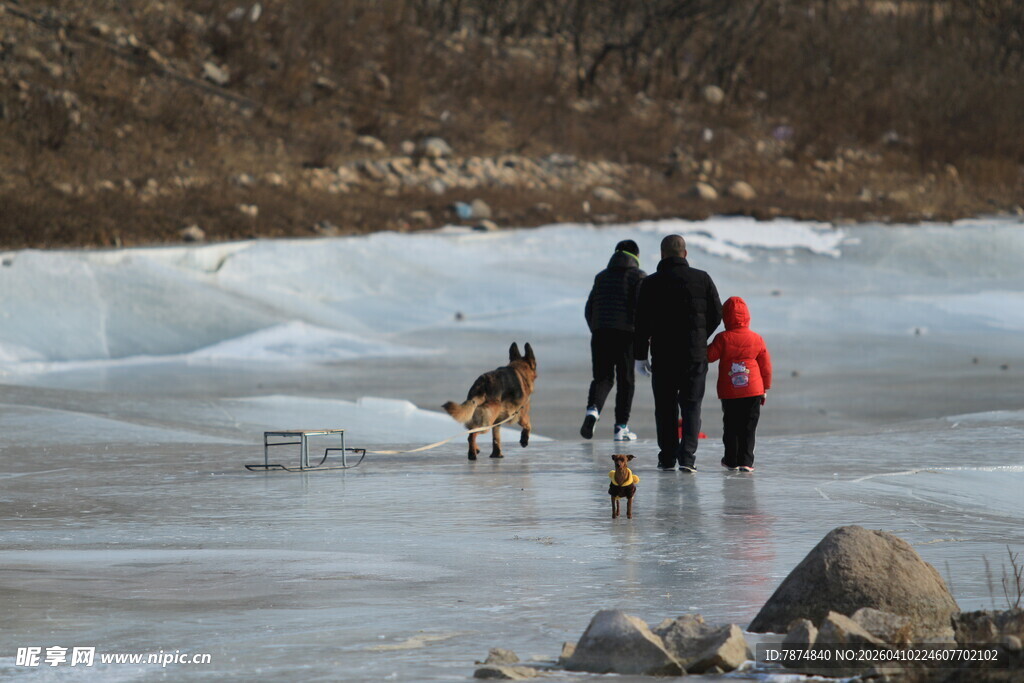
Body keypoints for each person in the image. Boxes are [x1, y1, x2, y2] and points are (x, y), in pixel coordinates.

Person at [634, 234, 722, 472]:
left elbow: (641, 324)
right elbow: (717, 314)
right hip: (694, 355)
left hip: (664, 356)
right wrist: (700, 336)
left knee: (665, 408)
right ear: (685, 253)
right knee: (692, 406)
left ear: (662, 254)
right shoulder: (702, 278)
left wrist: (640, 356)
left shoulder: (650, 283)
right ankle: (688, 458)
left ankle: (667, 457)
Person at [581, 239, 647, 441]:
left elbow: (589, 308)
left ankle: (593, 411)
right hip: (626, 335)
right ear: (636, 255)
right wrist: (642, 337)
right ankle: (621, 427)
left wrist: (597, 328)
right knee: (626, 381)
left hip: (600, 333)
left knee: (603, 378)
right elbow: (641, 309)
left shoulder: (601, 277)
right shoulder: (639, 276)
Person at [707, 296, 772, 472]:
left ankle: (731, 460)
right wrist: (765, 387)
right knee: (749, 427)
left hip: (730, 392)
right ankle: (746, 461)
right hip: (753, 391)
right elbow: (765, 366)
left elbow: (709, 357)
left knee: (731, 426)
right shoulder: (756, 338)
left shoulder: (723, 338)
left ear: (725, 317)